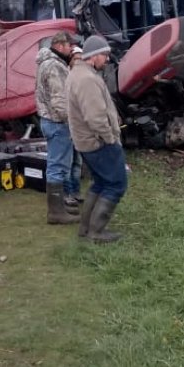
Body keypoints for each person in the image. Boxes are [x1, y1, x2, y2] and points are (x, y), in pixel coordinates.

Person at [66, 35, 127, 243]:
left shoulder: (79, 74)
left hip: (85, 141)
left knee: (100, 183)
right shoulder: (87, 80)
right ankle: (97, 232)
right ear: (94, 56)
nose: (107, 59)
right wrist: (110, 139)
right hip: (97, 142)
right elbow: (96, 117)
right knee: (117, 184)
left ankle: (86, 229)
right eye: (105, 55)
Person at [35, 31, 83, 224]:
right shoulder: (55, 66)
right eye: (70, 45)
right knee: (58, 167)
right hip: (58, 122)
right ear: (60, 45)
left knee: (57, 165)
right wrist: (71, 119)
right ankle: (56, 213)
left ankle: (60, 206)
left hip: (49, 120)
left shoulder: (47, 63)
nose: (72, 48)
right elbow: (59, 99)